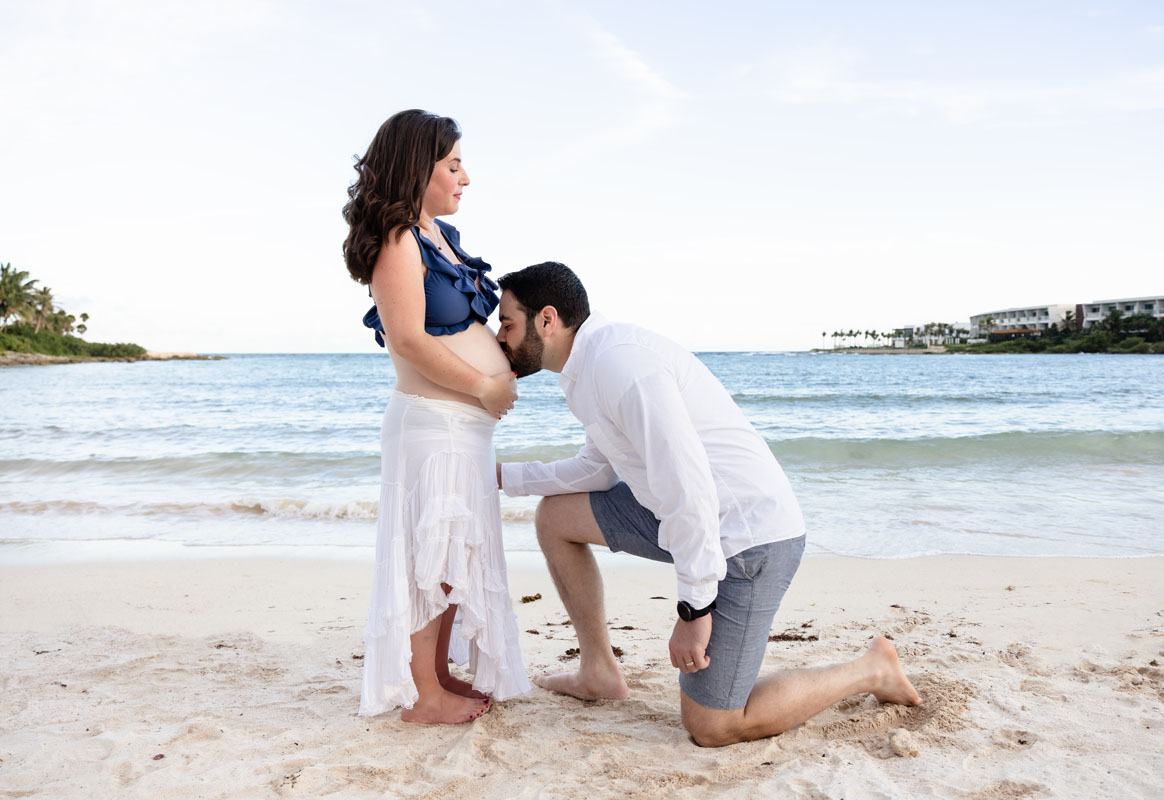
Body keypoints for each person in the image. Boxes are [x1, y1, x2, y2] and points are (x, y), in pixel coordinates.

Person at [494, 262, 922, 746]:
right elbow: (597, 469)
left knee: (713, 726)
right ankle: (598, 671)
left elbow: (687, 486)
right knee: (556, 516)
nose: (500, 336)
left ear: (547, 320)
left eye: (507, 324)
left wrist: (694, 611)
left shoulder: (620, 365)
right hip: (684, 517)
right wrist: (501, 477)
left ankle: (872, 670)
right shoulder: (586, 370)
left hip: (749, 539)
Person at [343, 110, 530, 724]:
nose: (465, 178)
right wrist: (482, 384)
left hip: (461, 431)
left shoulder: (438, 239)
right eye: (453, 165)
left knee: (452, 557)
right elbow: (408, 341)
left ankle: (439, 673)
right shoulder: (398, 239)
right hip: (433, 425)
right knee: (434, 560)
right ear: (417, 169)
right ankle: (423, 695)